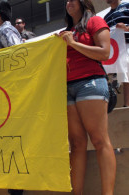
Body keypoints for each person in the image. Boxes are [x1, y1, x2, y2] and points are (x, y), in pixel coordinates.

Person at [59, 0, 116, 194]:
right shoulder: (66, 31)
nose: (68, 3)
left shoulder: (95, 22)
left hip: (90, 83)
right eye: (66, 1)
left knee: (99, 140)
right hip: (67, 88)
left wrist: (72, 43)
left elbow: (105, 52)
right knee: (76, 144)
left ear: (83, 2)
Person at [104, 0, 129, 107]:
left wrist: (126, 28)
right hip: (116, 54)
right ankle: (126, 106)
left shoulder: (127, 5)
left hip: (127, 45)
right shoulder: (106, 17)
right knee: (123, 77)